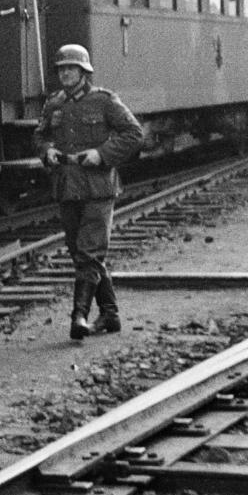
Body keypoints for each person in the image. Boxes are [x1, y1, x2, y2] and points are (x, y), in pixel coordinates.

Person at [33, 44, 145, 342]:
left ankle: (78, 317)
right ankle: (109, 313)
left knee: (89, 253)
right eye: (62, 69)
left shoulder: (105, 101)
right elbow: (40, 135)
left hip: (98, 188)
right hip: (67, 187)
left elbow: (134, 134)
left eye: (72, 68)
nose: (66, 73)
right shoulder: (54, 104)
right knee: (81, 254)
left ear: (84, 72)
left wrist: (102, 153)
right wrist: (48, 151)